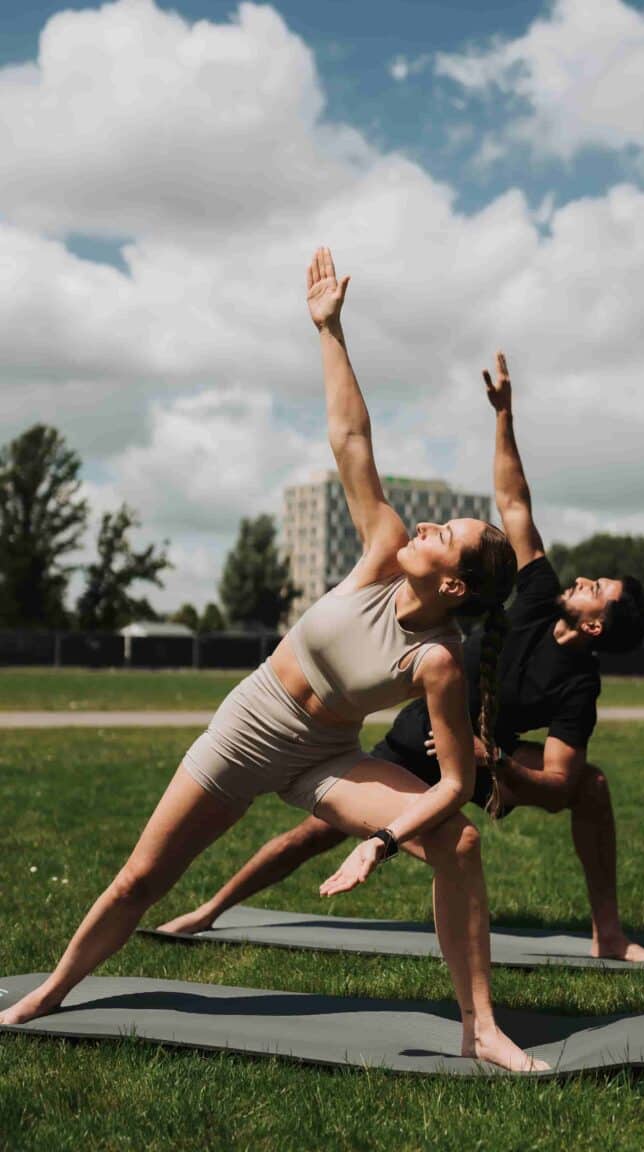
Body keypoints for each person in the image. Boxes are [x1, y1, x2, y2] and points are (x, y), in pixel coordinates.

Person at [1, 250, 548, 1073]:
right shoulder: (381, 549)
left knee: (460, 846)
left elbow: (452, 784)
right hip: (250, 725)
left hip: (323, 758)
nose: (430, 529)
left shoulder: (440, 658)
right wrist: (331, 331)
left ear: (458, 582)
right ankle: (53, 991)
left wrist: (384, 842)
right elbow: (351, 438)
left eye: (449, 537)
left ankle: (480, 1025)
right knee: (139, 882)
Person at [158, 354, 644, 964]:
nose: (583, 579)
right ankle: (210, 910)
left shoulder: (579, 685)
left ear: (598, 623)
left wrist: (494, 761)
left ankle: (608, 932)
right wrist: (504, 416)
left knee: (590, 785)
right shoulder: (535, 592)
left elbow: (557, 787)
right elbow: (514, 501)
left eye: (597, 588)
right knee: (313, 835)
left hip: (483, 755)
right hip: (419, 740)